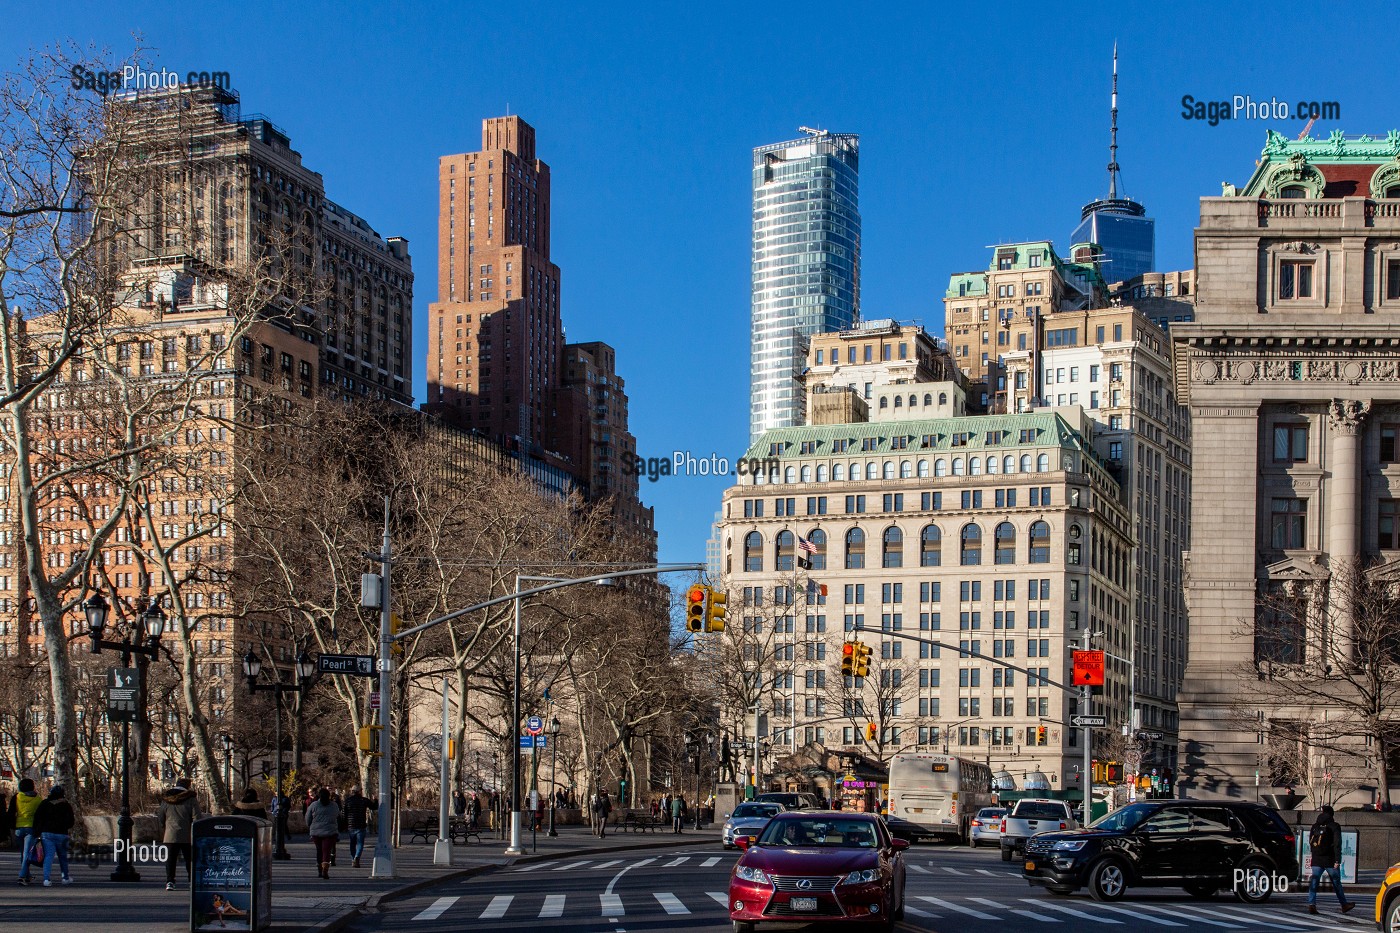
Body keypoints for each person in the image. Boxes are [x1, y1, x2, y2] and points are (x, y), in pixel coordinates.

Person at [1307, 805, 1354, 914]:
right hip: (1330, 859)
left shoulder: (1315, 826)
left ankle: (1311, 904)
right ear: (1332, 814)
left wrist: (1314, 855)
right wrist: (1337, 860)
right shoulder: (1335, 826)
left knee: (1314, 881)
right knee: (1336, 882)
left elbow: (1311, 842)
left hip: (1317, 858)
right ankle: (1344, 905)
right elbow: (1337, 844)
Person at [158, 778, 201, 891]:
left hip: (170, 835)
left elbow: (161, 816)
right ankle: (191, 881)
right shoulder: (191, 799)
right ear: (187, 786)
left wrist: (165, 827)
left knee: (171, 860)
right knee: (190, 860)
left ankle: (170, 881)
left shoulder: (166, 799)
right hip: (187, 835)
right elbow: (197, 817)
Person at [33, 784, 74, 886]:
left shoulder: (44, 804)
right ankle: (65, 878)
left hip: (47, 833)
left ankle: (46, 879)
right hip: (62, 834)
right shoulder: (66, 805)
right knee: (63, 857)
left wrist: (37, 832)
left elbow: (37, 819)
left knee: (48, 857)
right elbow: (71, 821)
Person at [11, 777, 41, 884]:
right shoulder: (37, 799)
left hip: (19, 827)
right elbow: (40, 815)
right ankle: (22, 875)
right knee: (27, 853)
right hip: (31, 828)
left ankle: (28, 876)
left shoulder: (17, 797)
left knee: (23, 853)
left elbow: (11, 812)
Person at [307, 787, 340, 879]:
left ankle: (319, 870)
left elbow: (308, 818)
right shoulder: (334, 805)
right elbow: (338, 816)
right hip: (330, 831)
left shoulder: (314, 805)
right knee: (327, 851)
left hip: (316, 832)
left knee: (319, 850)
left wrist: (310, 826)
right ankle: (325, 867)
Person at [342, 785, 377, 868]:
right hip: (361, 824)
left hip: (351, 825)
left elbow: (344, 813)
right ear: (359, 791)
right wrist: (375, 799)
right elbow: (373, 807)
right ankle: (357, 857)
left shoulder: (347, 801)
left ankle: (353, 858)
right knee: (360, 843)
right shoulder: (363, 800)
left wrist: (344, 824)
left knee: (352, 843)